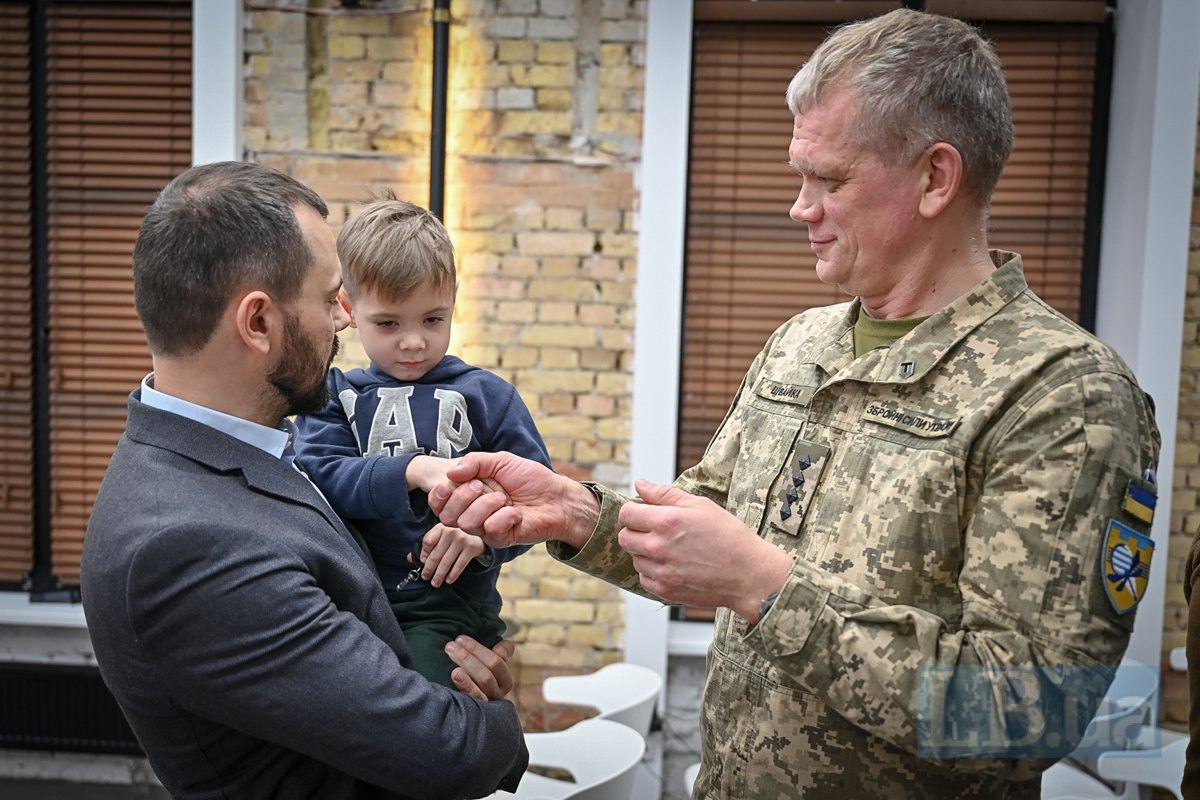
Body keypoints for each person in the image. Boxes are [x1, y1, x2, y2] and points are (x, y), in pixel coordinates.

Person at [429, 9, 1161, 799]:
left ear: (935, 178)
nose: (800, 208)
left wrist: (765, 588)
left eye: (832, 179)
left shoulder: (1063, 397)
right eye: (799, 175)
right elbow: (704, 523)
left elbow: (1029, 715)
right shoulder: (801, 344)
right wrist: (576, 512)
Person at [80, 161, 528, 800]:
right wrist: (492, 721)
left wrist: (454, 669)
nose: (343, 321)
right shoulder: (183, 545)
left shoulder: (245, 451)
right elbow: (446, 752)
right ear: (258, 323)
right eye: (327, 299)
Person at [293, 195, 551, 687]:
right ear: (347, 308)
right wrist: (412, 469)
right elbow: (322, 476)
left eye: (432, 320)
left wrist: (481, 537)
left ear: (454, 300)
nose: (413, 341)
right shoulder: (335, 395)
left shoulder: (488, 397)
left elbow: (537, 505)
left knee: (419, 712)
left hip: (445, 609)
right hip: (353, 602)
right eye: (389, 323)